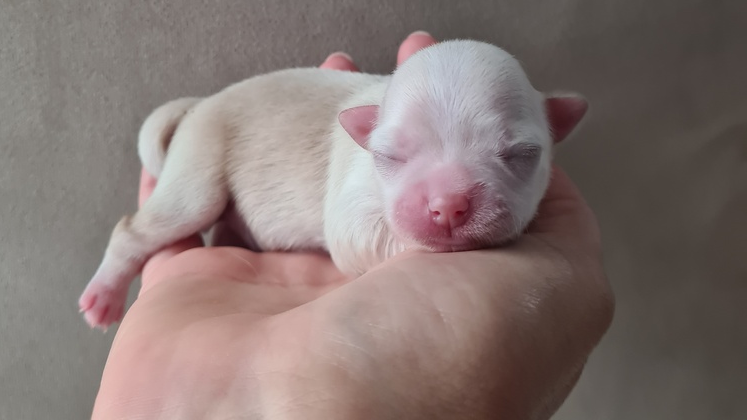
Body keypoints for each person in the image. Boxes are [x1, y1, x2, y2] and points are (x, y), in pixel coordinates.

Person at [91, 32, 614, 420]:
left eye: (516, 156)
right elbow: (349, 241)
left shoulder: (404, 125)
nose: (447, 204)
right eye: (393, 157)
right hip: (221, 130)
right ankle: (116, 261)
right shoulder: (361, 142)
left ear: (556, 126)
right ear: (365, 134)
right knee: (182, 208)